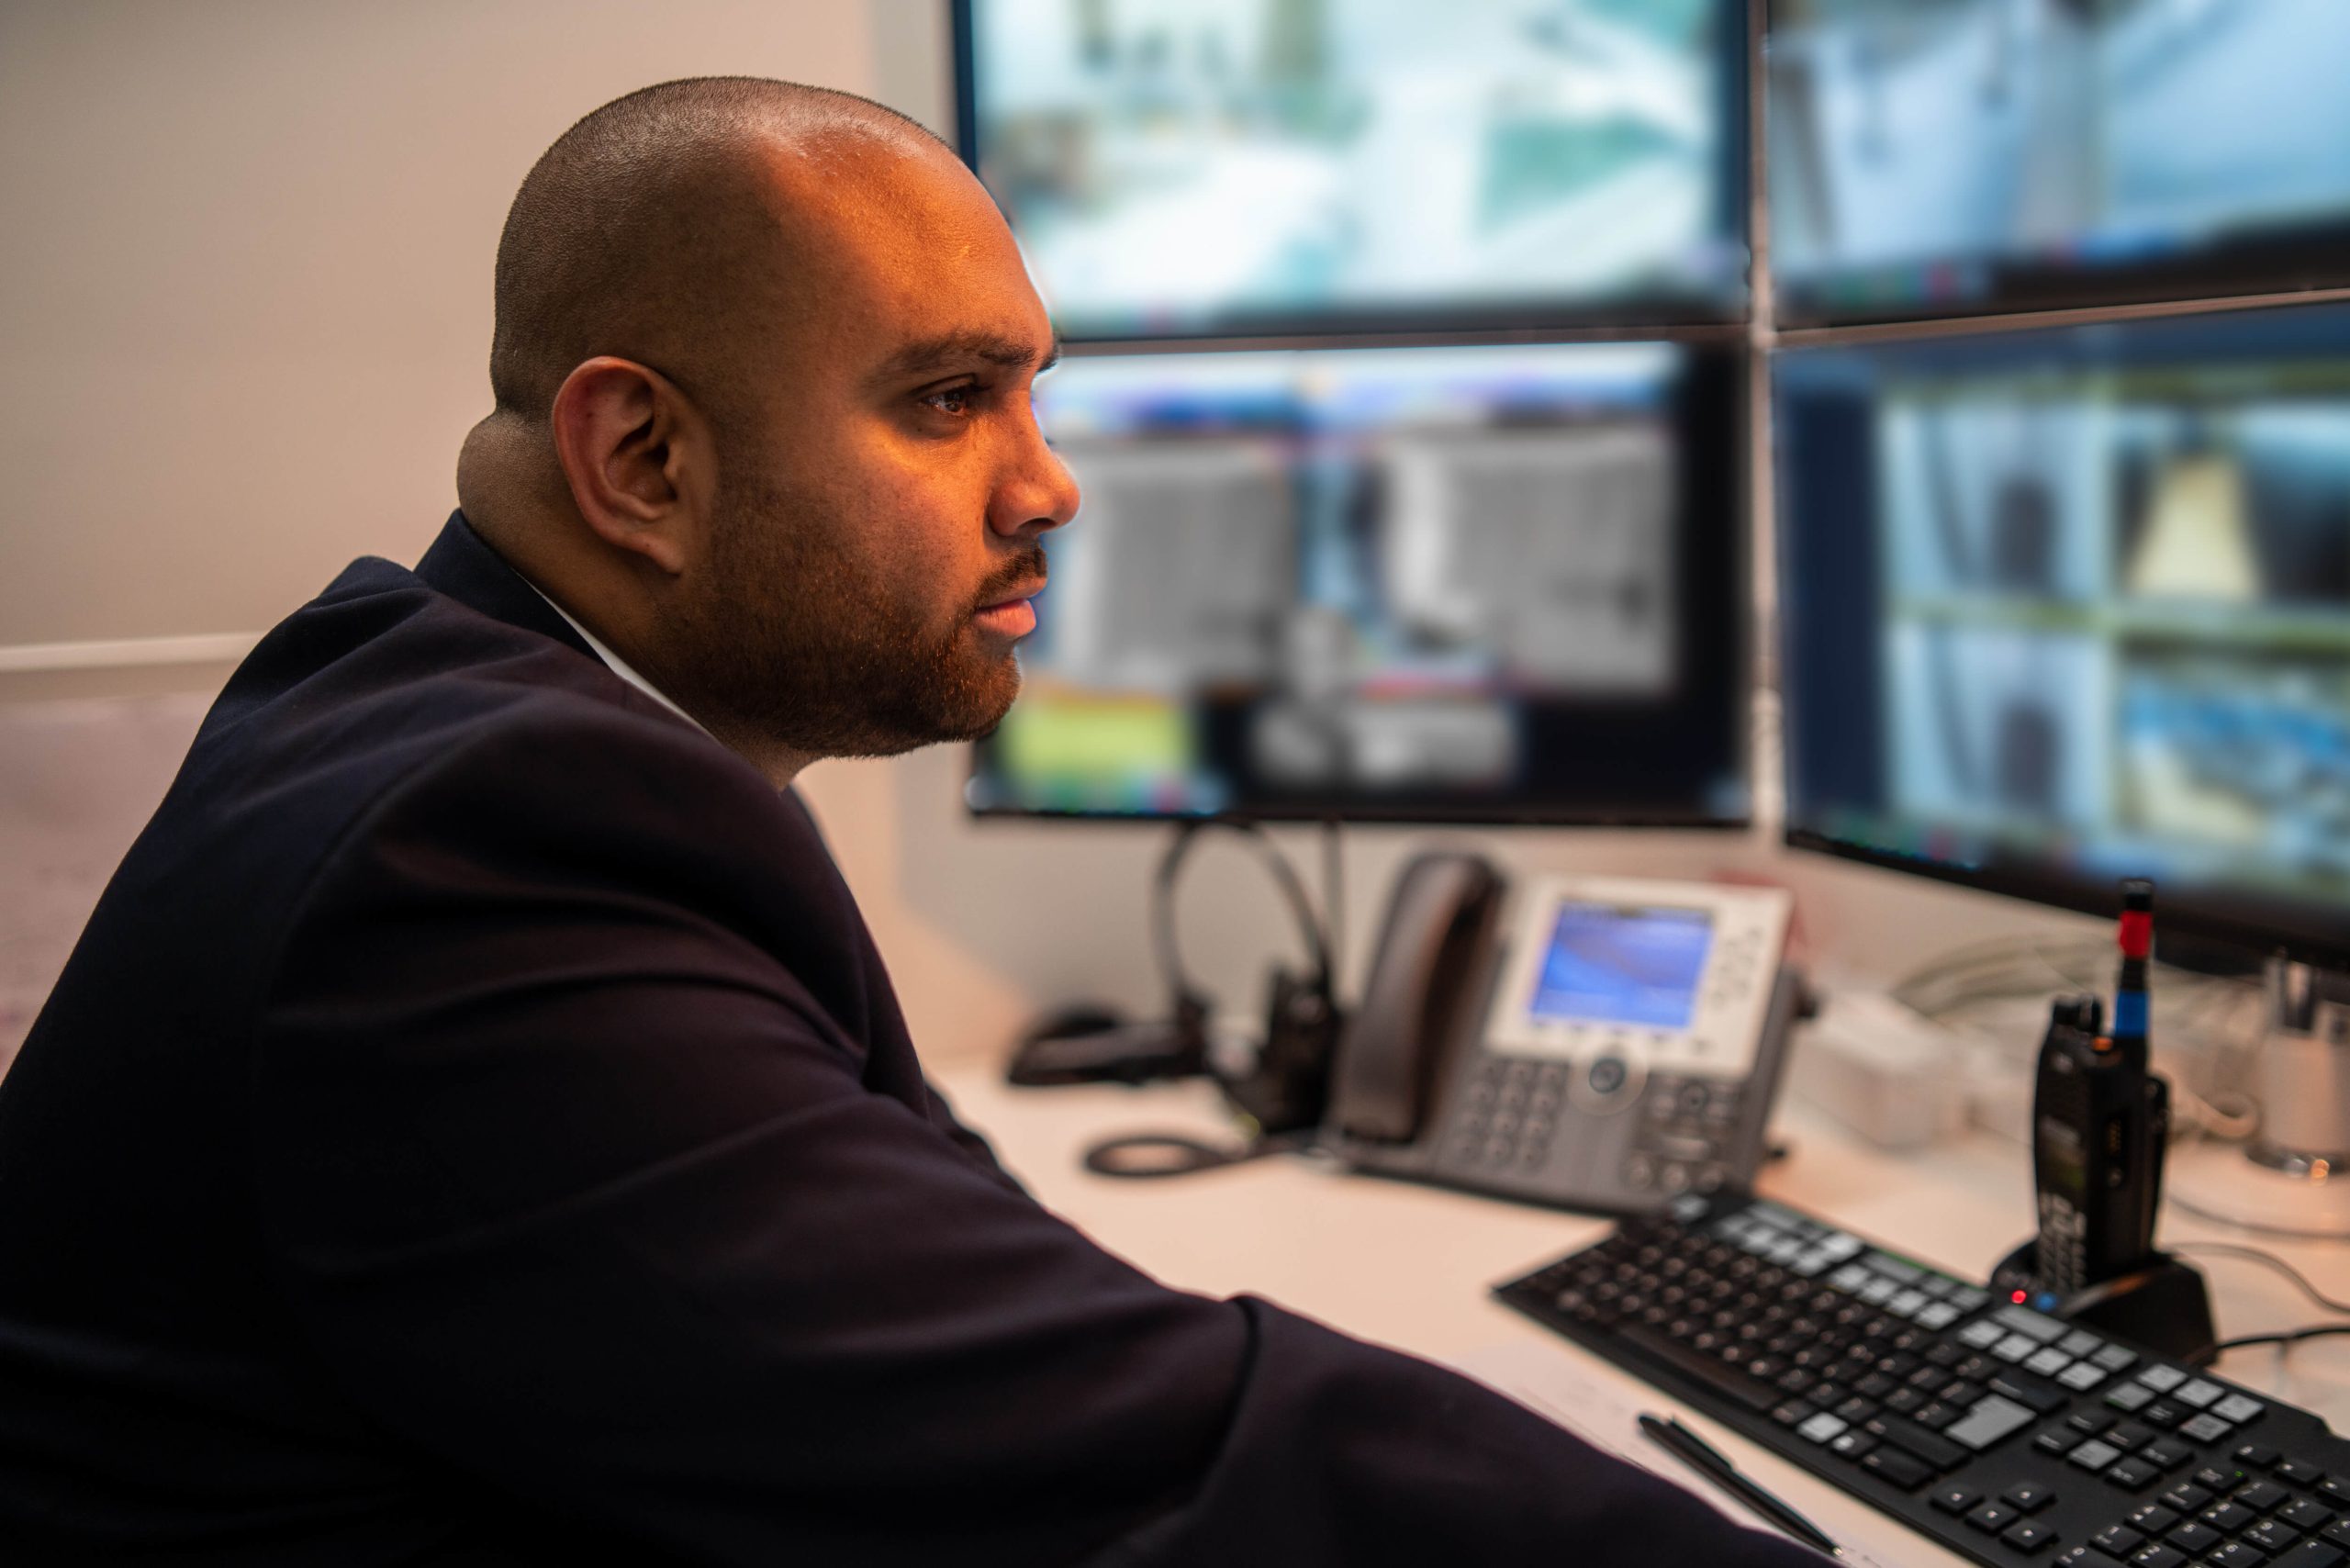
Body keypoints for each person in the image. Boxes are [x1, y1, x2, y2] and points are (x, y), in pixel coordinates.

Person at [0, 78, 1820, 1566]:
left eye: (1034, 389)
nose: (1049, 483)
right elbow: (1130, 1455)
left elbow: (957, 1252)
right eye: (949, 398)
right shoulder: (476, 857)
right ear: (642, 460)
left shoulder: (463, 700)